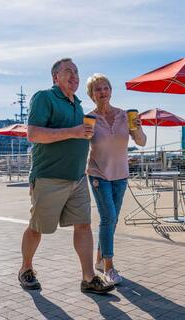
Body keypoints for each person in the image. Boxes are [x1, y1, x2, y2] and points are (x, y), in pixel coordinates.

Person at [18, 58, 114, 295]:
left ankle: (88, 278)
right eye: (68, 71)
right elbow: (34, 134)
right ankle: (26, 268)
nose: (74, 76)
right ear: (55, 77)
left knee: (83, 226)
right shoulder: (44, 97)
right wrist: (74, 131)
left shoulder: (78, 104)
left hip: (78, 178)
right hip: (49, 177)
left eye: (77, 72)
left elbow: (79, 137)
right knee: (37, 228)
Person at [86, 73, 146, 285]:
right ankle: (109, 268)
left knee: (112, 219)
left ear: (110, 91)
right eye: (97, 89)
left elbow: (141, 142)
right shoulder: (89, 118)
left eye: (105, 88)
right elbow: (79, 144)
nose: (102, 92)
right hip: (97, 174)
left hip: (121, 175)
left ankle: (100, 259)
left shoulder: (123, 116)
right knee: (108, 217)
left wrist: (137, 127)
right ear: (91, 94)